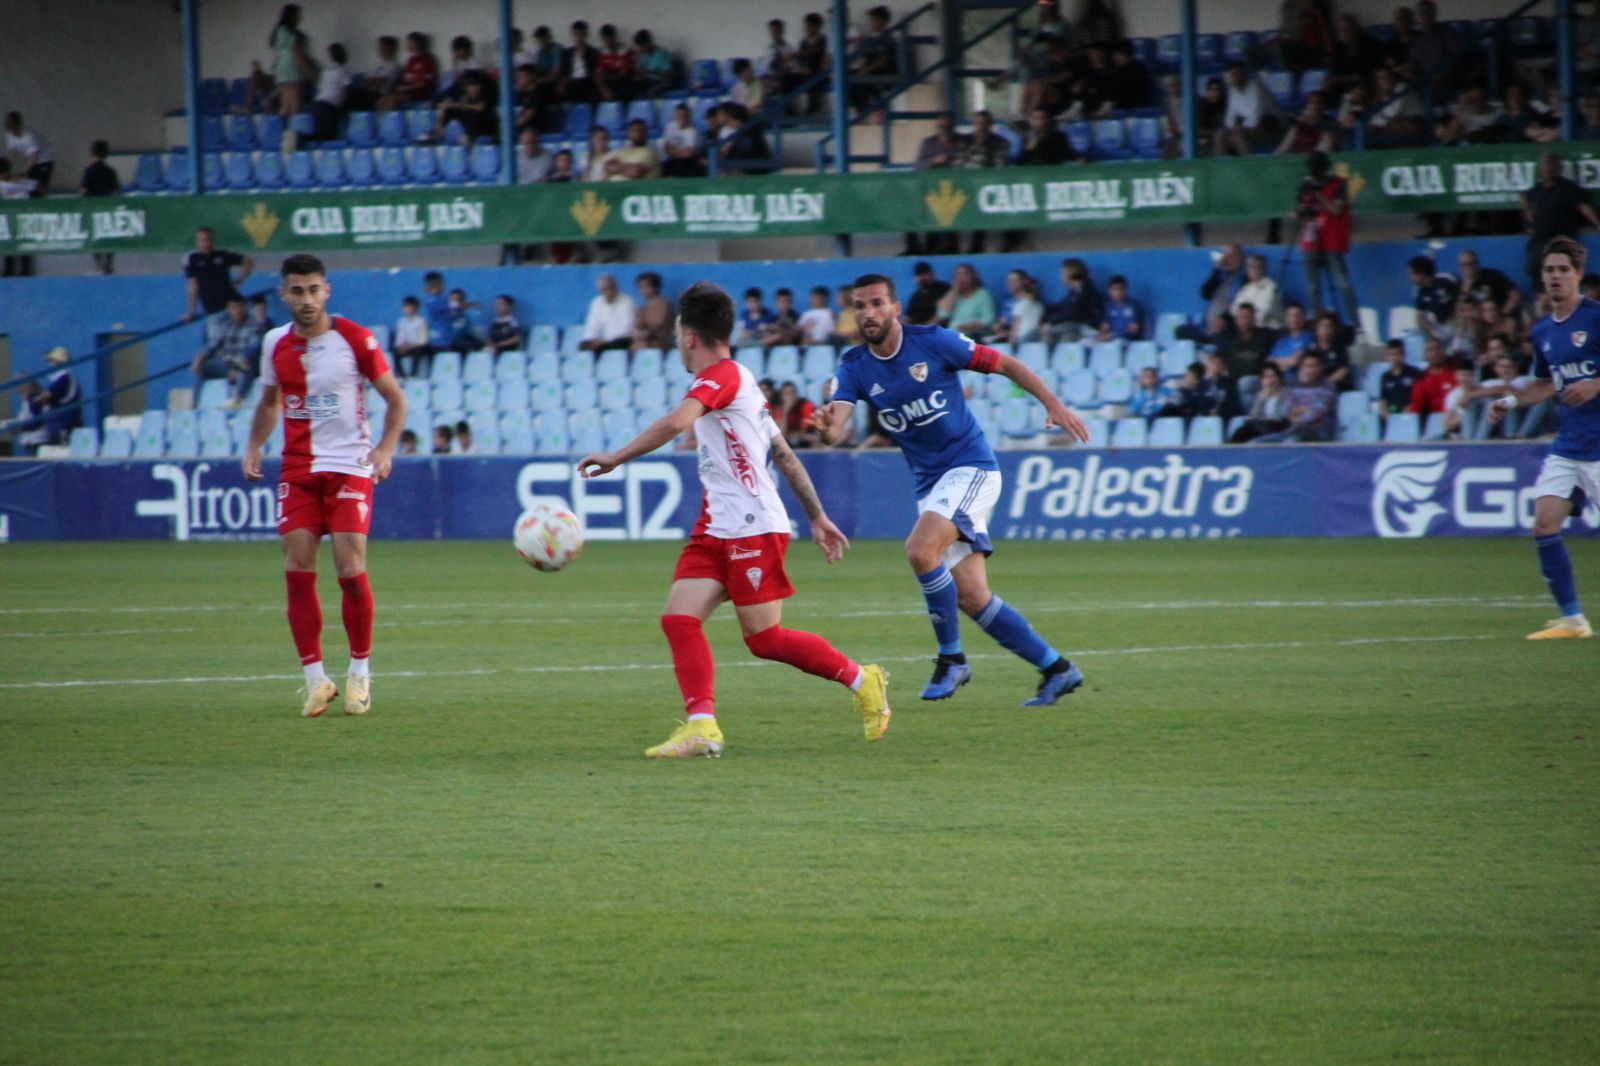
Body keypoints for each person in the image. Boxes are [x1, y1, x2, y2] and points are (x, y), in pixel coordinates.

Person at [576, 281, 891, 758]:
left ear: (688, 336)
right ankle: (702, 726)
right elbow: (783, 455)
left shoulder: (722, 377)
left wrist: (618, 456)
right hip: (716, 525)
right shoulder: (742, 384)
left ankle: (861, 679)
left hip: (752, 526)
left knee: (765, 639)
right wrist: (818, 516)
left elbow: (677, 422)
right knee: (679, 619)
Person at [812, 273, 1091, 706]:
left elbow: (1007, 364)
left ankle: (952, 659)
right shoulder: (853, 366)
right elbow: (836, 428)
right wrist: (826, 427)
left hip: (971, 468)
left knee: (920, 550)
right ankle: (1057, 669)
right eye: (859, 306)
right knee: (973, 597)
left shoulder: (936, 342)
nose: (868, 313)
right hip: (932, 485)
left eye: (877, 303)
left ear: (895, 307)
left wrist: (1052, 403)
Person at [241, 253, 408, 717]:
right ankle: (316, 680)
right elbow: (270, 402)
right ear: (284, 295)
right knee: (296, 565)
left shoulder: (355, 339)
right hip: (298, 469)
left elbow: (396, 400)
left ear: (327, 290)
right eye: (297, 290)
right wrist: (255, 445)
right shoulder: (275, 344)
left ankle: (359, 673)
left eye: (314, 289)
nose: (307, 299)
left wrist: (385, 450)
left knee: (349, 567)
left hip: (350, 467)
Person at [1482, 240, 1600, 638]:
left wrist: (1595, 384)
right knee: (1544, 523)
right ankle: (1573, 620)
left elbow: (1588, 383)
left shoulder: (1596, 318)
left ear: (1578, 273)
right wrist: (1510, 400)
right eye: (1549, 270)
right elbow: (1545, 384)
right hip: (1569, 445)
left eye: (1562, 269)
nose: (1554, 276)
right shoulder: (1543, 330)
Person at [1297, 151, 1359, 331]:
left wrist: (1319, 195)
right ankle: (1318, 324)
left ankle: (1355, 323)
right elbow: (1301, 209)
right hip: (1310, 238)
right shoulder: (1305, 183)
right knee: (1312, 287)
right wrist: (1301, 210)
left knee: (1342, 282)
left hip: (1332, 238)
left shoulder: (1339, 183)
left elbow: (1336, 210)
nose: (1314, 172)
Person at [1522, 153, 1600, 286]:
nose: (1549, 168)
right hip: (1538, 238)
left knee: (1550, 268)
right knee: (1533, 269)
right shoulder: (1536, 191)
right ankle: (1543, 296)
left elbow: (1583, 206)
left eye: (1552, 165)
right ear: (1540, 168)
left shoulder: (1568, 188)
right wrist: (1530, 220)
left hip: (1560, 238)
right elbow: (1526, 205)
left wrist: (1597, 223)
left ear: (1558, 167)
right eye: (1546, 165)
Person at [192, 295, 266, 405]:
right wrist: (200, 356)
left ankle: (237, 399)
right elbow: (213, 345)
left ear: (245, 308)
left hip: (246, 363)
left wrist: (236, 367)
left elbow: (253, 348)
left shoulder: (254, 325)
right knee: (202, 366)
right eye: (234, 308)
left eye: (240, 307)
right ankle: (195, 406)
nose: (237, 311)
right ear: (229, 309)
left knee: (246, 366)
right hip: (228, 364)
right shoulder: (226, 325)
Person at [1252, 351, 1335, 442]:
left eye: (1315, 366)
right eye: (1307, 366)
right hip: (1293, 431)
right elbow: (1286, 410)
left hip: (1318, 433)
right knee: (1257, 442)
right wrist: (1305, 409)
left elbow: (1317, 412)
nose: (1311, 370)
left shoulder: (1327, 386)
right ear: (1302, 368)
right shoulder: (1296, 387)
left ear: (1321, 367)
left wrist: (1298, 414)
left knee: (1291, 441)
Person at [183, 227, 254, 321]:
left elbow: (248, 261)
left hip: (233, 307)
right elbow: (193, 286)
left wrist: (238, 281)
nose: (207, 243)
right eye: (203, 240)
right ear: (197, 242)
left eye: (209, 240)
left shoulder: (222, 255)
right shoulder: (193, 260)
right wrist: (190, 311)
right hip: (213, 310)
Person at [79, 139, 120, 275]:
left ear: (92, 153)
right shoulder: (110, 171)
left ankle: (98, 264)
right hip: (108, 209)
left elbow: (84, 191)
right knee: (109, 236)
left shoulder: (89, 171)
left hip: (93, 209)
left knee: (93, 237)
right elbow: (117, 191)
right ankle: (108, 263)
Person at [268, 4, 314, 121]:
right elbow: (296, 54)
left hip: (280, 68)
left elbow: (275, 53)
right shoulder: (291, 33)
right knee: (295, 102)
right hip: (291, 67)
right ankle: (293, 129)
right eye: (298, 16)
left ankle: (281, 128)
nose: (300, 18)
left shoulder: (278, 31)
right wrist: (308, 71)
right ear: (292, 16)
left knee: (285, 102)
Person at [1229, 362, 1292, 442]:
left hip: (1278, 425)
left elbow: (1280, 417)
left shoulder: (1286, 393)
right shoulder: (1261, 395)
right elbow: (1252, 416)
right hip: (1260, 426)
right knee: (1240, 431)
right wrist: (1262, 400)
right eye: (1266, 377)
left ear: (1279, 378)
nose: (1270, 380)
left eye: (1273, 376)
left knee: (1258, 426)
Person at [1044, 258, 1103, 342]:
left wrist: (1051, 323)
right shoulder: (1073, 293)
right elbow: (1061, 308)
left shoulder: (1087, 292)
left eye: (1063, 273)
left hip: (1087, 329)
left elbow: (1072, 314)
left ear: (1071, 273)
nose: (1061, 276)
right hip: (1073, 327)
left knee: (1063, 334)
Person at [1214, 302, 1275, 378]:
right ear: (1236, 320)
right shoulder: (1228, 337)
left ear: (1254, 319)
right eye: (1242, 317)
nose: (1245, 321)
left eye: (1249, 317)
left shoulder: (1265, 336)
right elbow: (1218, 358)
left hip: (1256, 379)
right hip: (1232, 379)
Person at [938, 263, 997, 340]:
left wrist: (969, 326)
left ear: (972, 277)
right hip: (953, 337)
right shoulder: (952, 294)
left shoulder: (982, 295)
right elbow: (943, 315)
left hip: (973, 337)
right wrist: (954, 292)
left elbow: (989, 319)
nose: (960, 278)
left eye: (964, 275)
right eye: (957, 275)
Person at [580, 273, 636, 353]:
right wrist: (591, 340)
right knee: (583, 346)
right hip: (603, 341)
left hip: (621, 339)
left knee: (618, 344)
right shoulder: (596, 302)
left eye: (610, 288)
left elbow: (627, 329)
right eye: (605, 289)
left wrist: (605, 341)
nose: (608, 291)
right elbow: (592, 325)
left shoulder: (628, 302)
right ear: (600, 291)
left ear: (616, 287)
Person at [1409, 255, 1460, 342]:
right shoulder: (1420, 292)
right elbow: (1420, 317)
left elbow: (1462, 299)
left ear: (1422, 273)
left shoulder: (1446, 280)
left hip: (1458, 324)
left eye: (1412, 274)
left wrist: (1454, 321)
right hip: (1439, 330)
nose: (1410, 278)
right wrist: (1434, 333)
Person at [3, 111, 54, 193]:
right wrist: (6, 170)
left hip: (44, 160)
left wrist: (23, 172)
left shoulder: (30, 137)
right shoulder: (9, 136)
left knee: (39, 186)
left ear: (18, 126)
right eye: (10, 129)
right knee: (31, 188)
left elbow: (34, 157)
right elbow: (11, 154)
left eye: (14, 129)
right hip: (32, 161)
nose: (13, 132)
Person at [1406, 338, 1458, 418]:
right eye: (1429, 350)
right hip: (1430, 424)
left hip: (1455, 420)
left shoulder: (1455, 374)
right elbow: (1416, 408)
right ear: (1425, 355)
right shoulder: (1421, 378)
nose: (1434, 353)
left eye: (1437, 348)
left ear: (1443, 351)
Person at [311, 42, 351, 142]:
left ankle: (299, 138)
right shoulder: (342, 70)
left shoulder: (325, 71)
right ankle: (299, 138)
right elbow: (347, 90)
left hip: (319, 103)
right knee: (327, 136)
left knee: (320, 134)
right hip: (330, 106)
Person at [1231, 253, 1282, 329]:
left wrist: (1245, 319)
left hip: (1269, 329)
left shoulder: (1272, 287)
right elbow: (1234, 310)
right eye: (1252, 267)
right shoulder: (1246, 289)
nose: (1256, 270)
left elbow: (1263, 314)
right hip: (1249, 328)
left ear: (1264, 269)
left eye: (1259, 267)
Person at [557, 21, 600, 103]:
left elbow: (594, 73)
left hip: (587, 83)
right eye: (576, 35)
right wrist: (561, 85)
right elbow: (564, 72)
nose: (578, 38)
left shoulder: (593, 52)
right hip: (571, 83)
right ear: (572, 35)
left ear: (586, 35)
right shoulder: (566, 53)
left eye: (581, 35)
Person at [1377, 339, 1422, 417]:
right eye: (1392, 354)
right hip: (1391, 414)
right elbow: (1383, 400)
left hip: (1410, 414)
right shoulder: (1385, 377)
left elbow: (1420, 397)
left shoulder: (1414, 372)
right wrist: (1386, 414)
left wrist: (1411, 408)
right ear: (1387, 356)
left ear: (1404, 354)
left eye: (1398, 354)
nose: (1395, 358)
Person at [632, 272, 674, 352]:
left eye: (646, 286)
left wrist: (645, 333)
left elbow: (658, 324)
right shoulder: (643, 308)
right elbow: (637, 325)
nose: (643, 290)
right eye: (641, 287)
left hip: (660, 343)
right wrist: (637, 332)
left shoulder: (663, 304)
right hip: (643, 342)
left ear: (655, 287)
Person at [1268, 303, 1313, 376]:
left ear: (1303, 317)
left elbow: (1295, 361)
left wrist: (1279, 362)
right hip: (1278, 377)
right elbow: (1269, 361)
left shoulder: (1308, 337)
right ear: (1286, 318)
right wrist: (1286, 363)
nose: (1294, 319)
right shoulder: (1281, 340)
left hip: (1296, 377)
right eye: (1291, 316)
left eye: (1297, 316)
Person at [659, 103, 704, 177]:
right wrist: (678, 152)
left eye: (684, 116)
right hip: (673, 159)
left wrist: (674, 151)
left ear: (688, 117)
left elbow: (690, 153)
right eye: (679, 116)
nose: (681, 118)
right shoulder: (670, 127)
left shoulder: (693, 131)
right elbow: (666, 148)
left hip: (688, 162)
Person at [393, 295, 432, 378]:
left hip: (418, 346)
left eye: (411, 306)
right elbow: (399, 339)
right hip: (407, 346)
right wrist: (401, 346)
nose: (408, 309)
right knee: (395, 352)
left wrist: (410, 346)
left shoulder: (421, 321)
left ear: (416, 308)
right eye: (406, 306)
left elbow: (423, 341)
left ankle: (413, 375)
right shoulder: (401, 322)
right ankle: (402, 376)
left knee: (417, 351)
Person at [1099, 275, 1143, 342]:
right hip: (1110, 340)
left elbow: (1134, 329)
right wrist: (1102, 335)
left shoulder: (1133, 306)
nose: (1117, 292)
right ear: (1109, 291)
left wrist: (1114, 336)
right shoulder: (1108, 307)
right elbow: (1105, 326)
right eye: (1114, 289)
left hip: (1127, 341)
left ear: (1125, 290)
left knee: (1118, 342)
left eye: (1121, 289)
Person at [905, 261, 950, 326]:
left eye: (925, 274)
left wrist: (925, 328)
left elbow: (943, 315)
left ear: (932, 274)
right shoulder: (916, 296)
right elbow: (908, 317)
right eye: (919, 275)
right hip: (917, 329)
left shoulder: (944, 289)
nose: (922, 278)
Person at [775, 381, 817, 448]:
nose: (789, 397)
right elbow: (781, 435)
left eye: (791, 393)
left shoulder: (806, 406)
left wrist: (791, 434)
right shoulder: (780, 410)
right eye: (786, 394)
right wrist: (785, 413)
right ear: (781, 397)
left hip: (807, 442)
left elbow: (803, 432)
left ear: (796, 394)